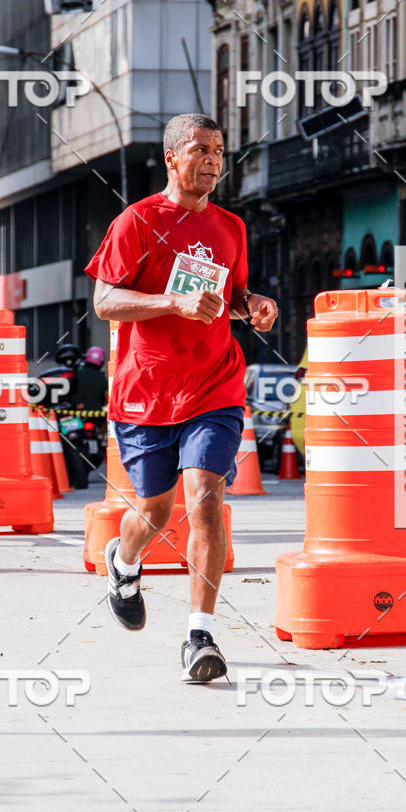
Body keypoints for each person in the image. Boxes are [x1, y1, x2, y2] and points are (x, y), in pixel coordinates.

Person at [85, 113, 278, 682]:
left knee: (206, 499)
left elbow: (231, 296)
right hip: (147, 391)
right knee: (155, 509)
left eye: (219, 150)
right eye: (200, 149)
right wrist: (172, 302)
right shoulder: (138, 220)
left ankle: (199, 636)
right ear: (173, 157)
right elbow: (105, 301)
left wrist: (253, 306)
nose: (213, 160)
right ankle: (124, 562)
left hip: (214, 385)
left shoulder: (231, 227)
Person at [76, 346, 107, 411]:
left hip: (78, 412)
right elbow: (105, 396)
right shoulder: (102, 377)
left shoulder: (78, 373)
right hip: (97, 413)